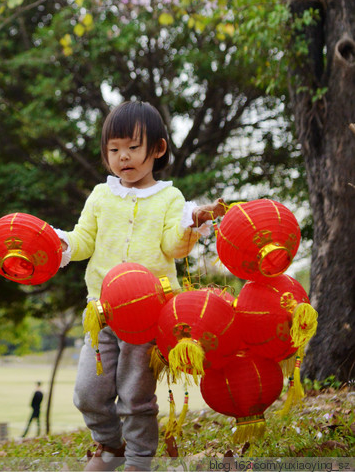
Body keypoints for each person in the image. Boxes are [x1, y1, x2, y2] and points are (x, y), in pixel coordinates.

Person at [54, 101, 225, 472]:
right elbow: (83, 239)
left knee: (135, 397)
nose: (123, 157)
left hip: (148, 316)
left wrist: (191, 224)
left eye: (132, 147)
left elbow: (173, 247)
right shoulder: (101, 196)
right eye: (114, 149)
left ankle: (138, 460)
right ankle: (110, 446)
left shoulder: (170, 198)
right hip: (101, 313)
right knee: (88, 393)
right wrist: (62, 243)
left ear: (158, 149)